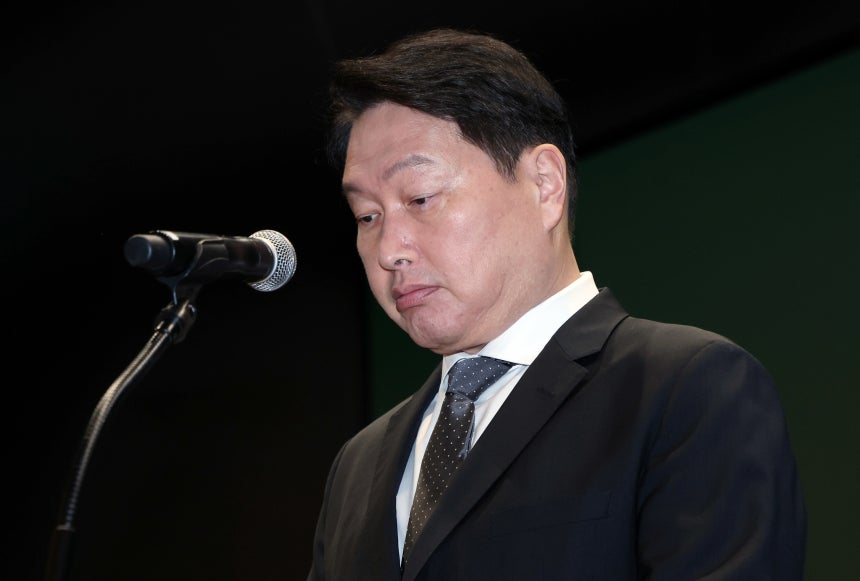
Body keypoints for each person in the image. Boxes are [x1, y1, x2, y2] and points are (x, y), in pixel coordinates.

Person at [307, 28, 807, 580]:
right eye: (367, 217)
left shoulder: (685, 390)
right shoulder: (357, 465)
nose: (389, 251)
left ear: (544, 184)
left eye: (420, 198)